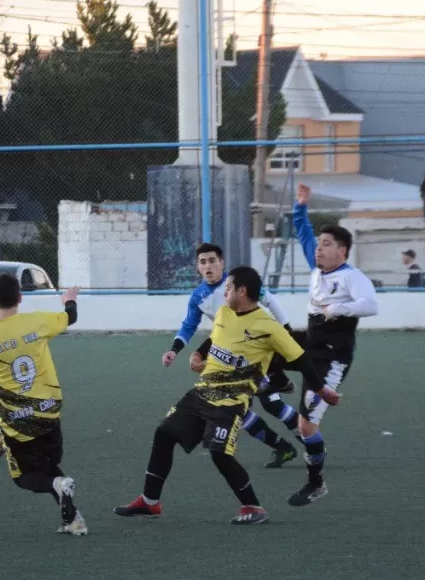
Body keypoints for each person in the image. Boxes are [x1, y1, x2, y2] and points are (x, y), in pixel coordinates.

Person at [115, 266, 341, 525]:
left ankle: (254, 508)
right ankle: (150, 502)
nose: (225, 292)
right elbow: (215, 338)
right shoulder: (224, 312)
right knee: (164, 434)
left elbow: (301, 361)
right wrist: (199, 354)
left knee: (219, 453)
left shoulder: (269, 326)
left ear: (242, 292)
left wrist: (322, 390)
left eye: (229, 288)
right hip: (201, 392)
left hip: (232, 402)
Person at [163, 242, 302, 468]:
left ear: (222, 263)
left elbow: (270, 300)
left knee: (271, 405)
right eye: (202, 262)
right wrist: (174, 349)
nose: (208, 266)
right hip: (228, 358)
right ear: (198, 267)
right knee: (234, 411)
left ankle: (311, 442)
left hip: (255, 351)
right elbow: (189, 325)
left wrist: (286, 328)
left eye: (212, 261)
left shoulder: (239, 283)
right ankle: (282, 447)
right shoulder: (198, 296)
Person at [282, 182, 379, 506]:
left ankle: (316, 483)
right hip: (311, 342)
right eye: (319, 244)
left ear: (343, 251)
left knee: (306, 427)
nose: (319, 249)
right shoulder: (317, 268)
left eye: (326, 245)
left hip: (332, 357)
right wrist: (300, 206)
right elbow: (302, 234)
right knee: (264, 340)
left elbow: (370, 305)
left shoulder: (352, 277)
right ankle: (274, 379)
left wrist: (339, 308)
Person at [0, 273, 87, 536]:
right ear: (20, 298)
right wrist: (69, 300)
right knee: (49, 469)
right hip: (49, 412)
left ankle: (61, 490)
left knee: (24, 478)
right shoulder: (38, 321)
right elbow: (71, 317)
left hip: (17, 423)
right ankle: (73, 520)